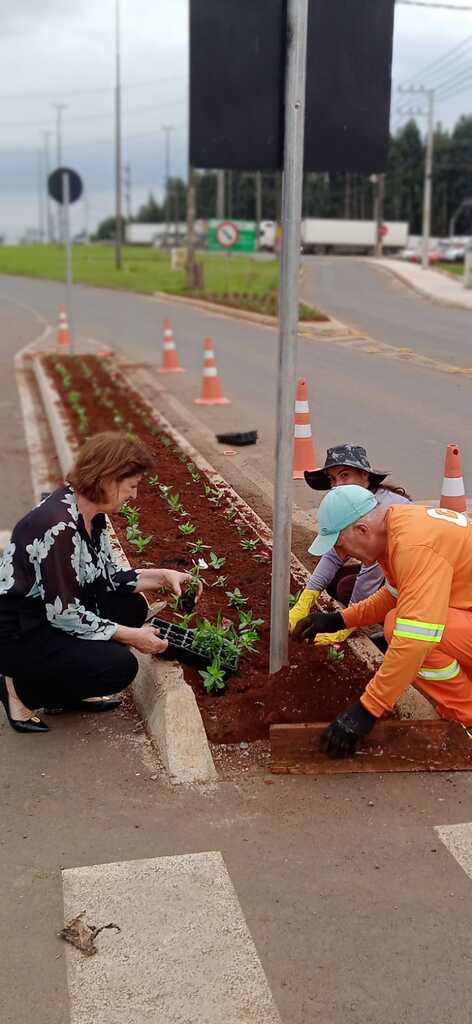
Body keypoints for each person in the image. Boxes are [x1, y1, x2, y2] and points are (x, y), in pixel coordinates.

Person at [0, 431, 201, 734]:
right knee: (119, 667)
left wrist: (163, 576)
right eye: (131, 486)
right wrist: (133, 637)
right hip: (20, 633)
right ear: (107, 478)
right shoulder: (59, 528)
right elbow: (65, 614)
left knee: (129, 606)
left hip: (47, 616)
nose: (134, 495)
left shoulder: (91, 516)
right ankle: (18, 687)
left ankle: (64, 691)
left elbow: (108, 578)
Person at [293, 484, 472, 758]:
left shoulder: (413, 546)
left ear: (361, 530)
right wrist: (339, 620)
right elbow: (392, 596)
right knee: (396, 621)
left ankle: (468, 717)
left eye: (341, 546)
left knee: (412, 633)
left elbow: (414, 641)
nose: (343, 556)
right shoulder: (398, 527)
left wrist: (367, 710)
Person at [289, 444, 411, 645]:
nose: (338, 485)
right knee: (335, 580)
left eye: (345, 476)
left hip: (411, 576)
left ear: (365, 476)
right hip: (399, 573)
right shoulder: (353, 503)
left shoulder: (380, 510)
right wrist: (305, 600)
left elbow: (371, 573)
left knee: (347, 588)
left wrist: (344, 624)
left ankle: (394, 628)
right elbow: (333, 553)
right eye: (333, 479)